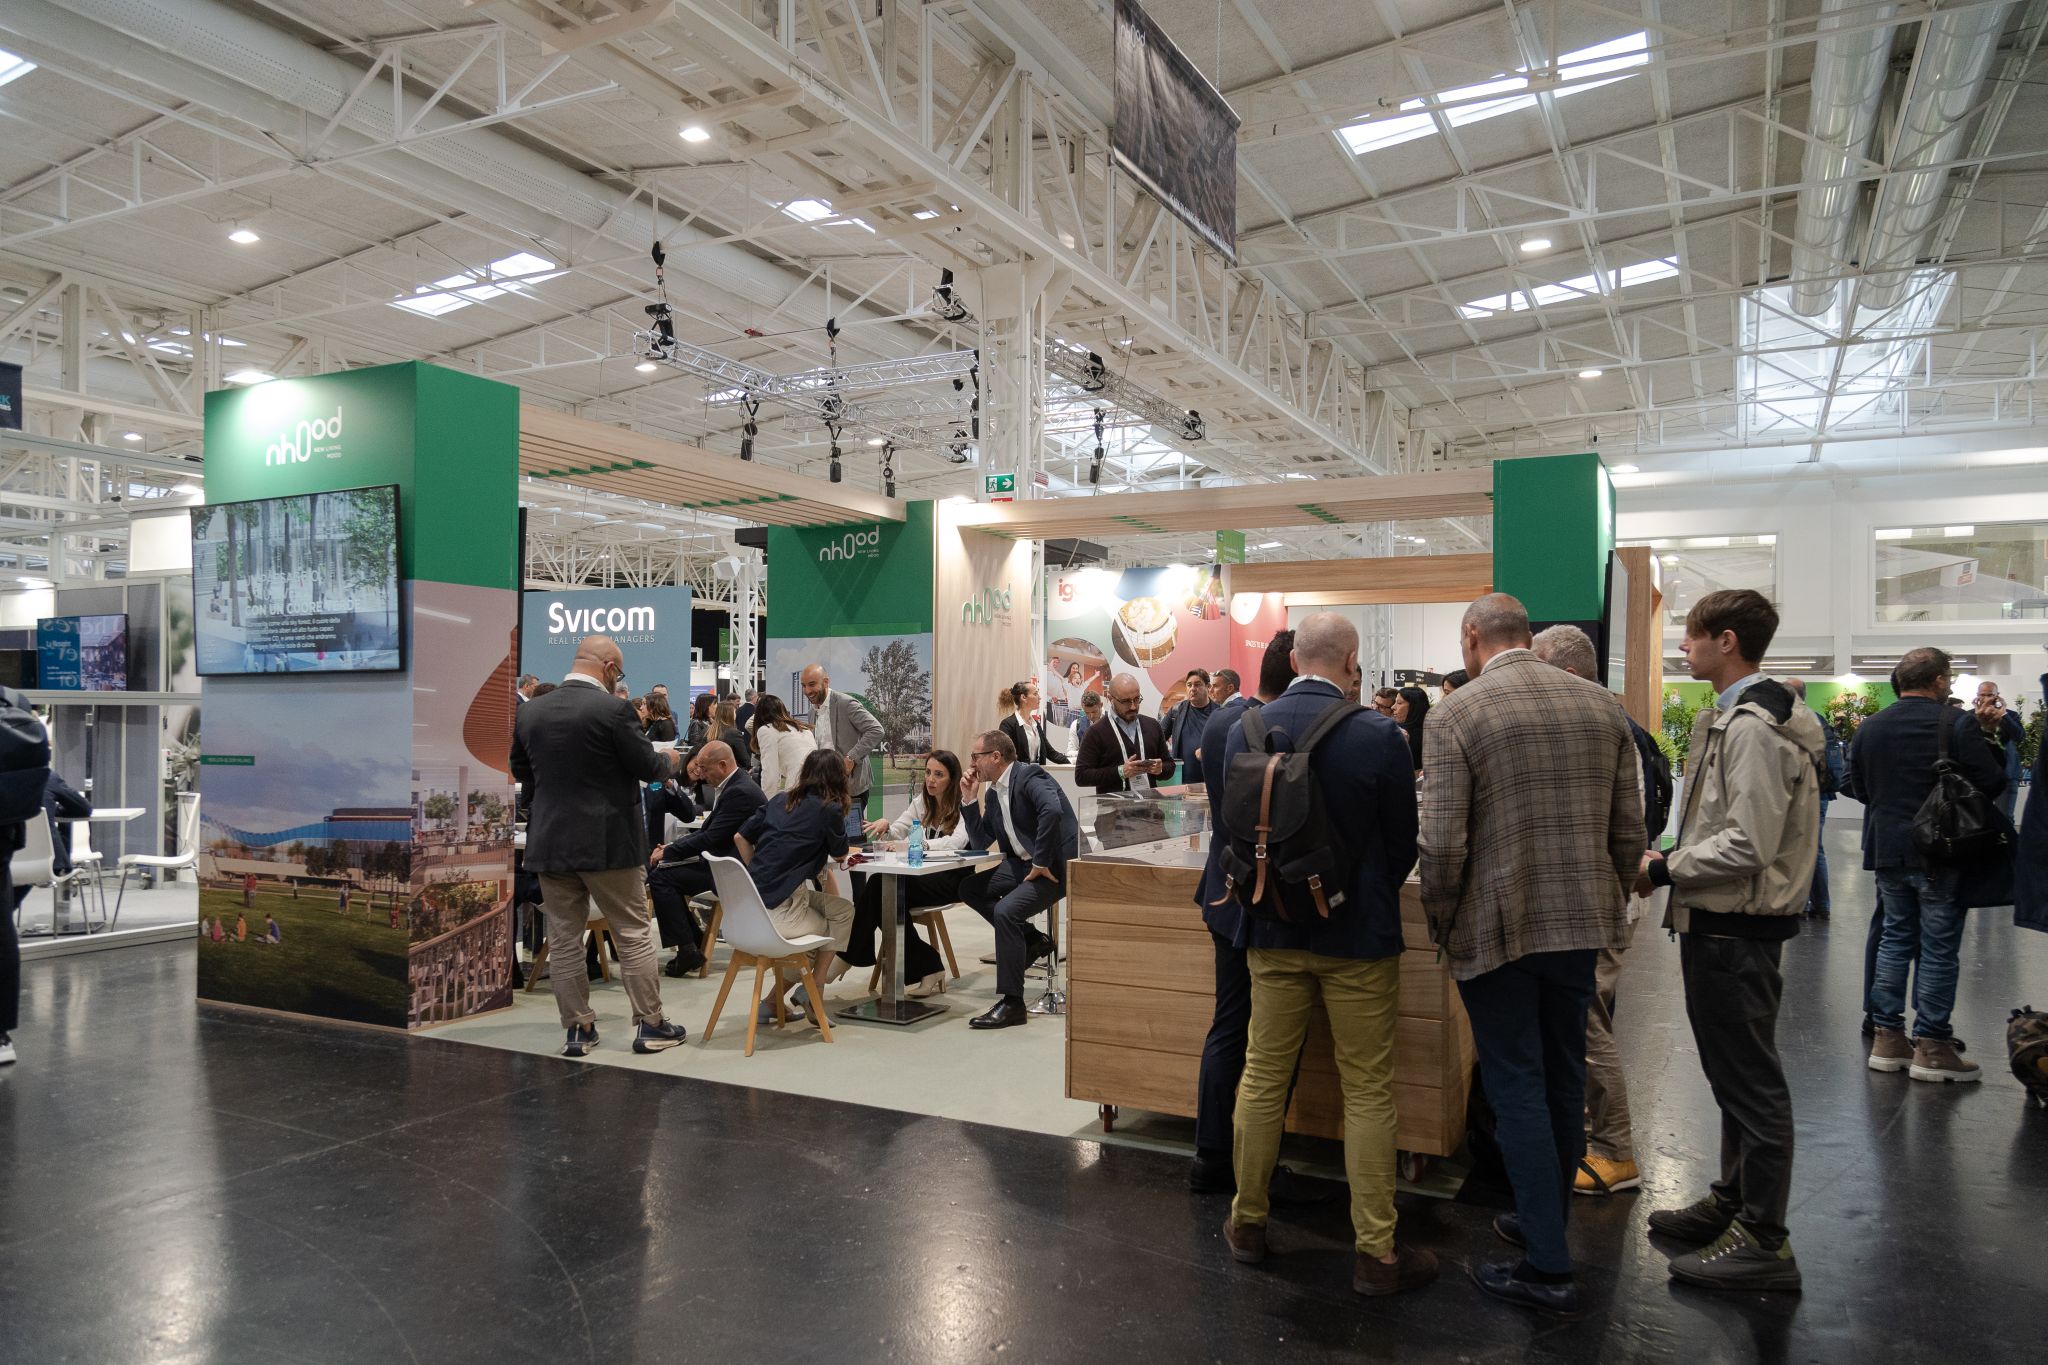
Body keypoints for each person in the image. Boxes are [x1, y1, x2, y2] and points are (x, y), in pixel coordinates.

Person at [1419, 593, 1643, 1317]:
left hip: (1498, 926)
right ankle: (1546, 1216)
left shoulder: (1456, 713)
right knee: (1563, 1074)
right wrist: (1610, 901)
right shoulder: (1602, 705)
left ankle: (1547, 1264)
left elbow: (1442, 845)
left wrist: (1441, 921)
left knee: (1514, 1083)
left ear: (1472, 637)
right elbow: (1628, 830)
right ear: (1528, 634)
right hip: (1580, 926)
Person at [1217, 614, 1436, 1297]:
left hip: (1272, 929)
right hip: (1358, 937)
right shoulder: (1379, 735)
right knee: (1366, 1088)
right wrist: (1359, 892)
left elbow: (1233, 826)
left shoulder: (1244, 729)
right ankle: (1376, 1251)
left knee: (1262, 1075)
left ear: (1293, 658)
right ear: (1350, 660)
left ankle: (1247, 1223)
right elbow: (1401, 843)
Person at [1634, 588, 1820, 1291]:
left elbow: (1748, 842)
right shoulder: (1742, 716)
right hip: (1725, 920)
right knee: (1735, 1075)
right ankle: (1735, 1202)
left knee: (1750, 1080)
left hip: (1735, 925)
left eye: (1692, 635)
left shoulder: (1753, 726)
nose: (1683, 647)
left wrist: (1664, 867)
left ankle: (1765, 1240)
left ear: (1728, 640)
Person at [510, 633, 689, 1058]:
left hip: (551, 842)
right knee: (633, 933)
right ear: (609, 668)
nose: (618, 679)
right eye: (619, 673)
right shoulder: (614, 710)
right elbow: (648, 767)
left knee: (564, 938)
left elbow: (521, 770)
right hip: (610, 843)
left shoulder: (531, 711)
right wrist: (671, 760)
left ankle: (578, 1029)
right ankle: (650, 1025)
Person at [1530, 624, 1653, 1199]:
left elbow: (1624, 830)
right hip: (1600, 899)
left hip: (1595, 902)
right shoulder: (1614, 723)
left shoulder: (1603, 726)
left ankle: (1613, 1149)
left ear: (1569, 673)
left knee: (1587, 1026)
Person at [1845, 646, 2008, 1084]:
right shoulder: (1955, 723)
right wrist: (1988, 736)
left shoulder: (1869, 727)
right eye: (1948, 677)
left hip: (1887, 850)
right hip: (1941, 850)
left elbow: (1859, 788)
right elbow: (1992, 783)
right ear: (1937, 680)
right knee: (1938, 947)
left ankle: (1887, 1039)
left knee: (1894, 940)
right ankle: (1933, 1045)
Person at [1190, 632, 1304, 1198]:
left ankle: (1211, 1155)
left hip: (1224, 889)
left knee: (1228, 1024)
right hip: (1268, 899)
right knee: (1271, 1038)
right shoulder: (1276, 728)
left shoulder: (1221, 724)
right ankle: (1257, 1163)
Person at [958, 730, 1080, 1030]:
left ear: (995, 756)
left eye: (975, 757)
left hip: (1053, 867)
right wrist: (969, 800)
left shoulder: (1029, 775)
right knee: (970, 888)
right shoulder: (992, 794)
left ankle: (1013, 1003)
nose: (972, 764)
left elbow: (1052, 810)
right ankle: (1032, 939)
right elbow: (980, 842)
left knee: (1006, 911)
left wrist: (1041, 860)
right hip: (1022, 865)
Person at [734, 747, 859, 1021]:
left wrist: (759, 872)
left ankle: (772, 1002)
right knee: (829, 933)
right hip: (781, 912)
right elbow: (840, 853)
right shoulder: (830, 809)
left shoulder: (780, 799)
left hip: (748, 910)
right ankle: (815, 991)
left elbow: (740, 838)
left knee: (843, 911)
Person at [845, 750, 974, 997]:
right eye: (928, 773)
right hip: (922, 876)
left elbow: (956, 842)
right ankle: (929, 966)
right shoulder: (922, 801)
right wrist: (886, 827)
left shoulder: (963, 804)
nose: (931, 780)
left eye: (939, 775)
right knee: (883, 890)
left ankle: (850, 955)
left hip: (952, 878)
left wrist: (919, 844)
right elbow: (899, 830)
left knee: (881, 889)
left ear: (952, 779)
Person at [648, 741, 765, 976]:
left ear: (722, 765)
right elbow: (708, 834)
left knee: (660, 878)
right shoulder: (737, 785)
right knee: (662, 873)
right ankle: (691, 943)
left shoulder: (739, 791)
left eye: (704, 768)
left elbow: (710, 838)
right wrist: (671, 848)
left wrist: (669, 852)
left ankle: (688, 948)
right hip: (724, 865)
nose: (700, 774)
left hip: (733, 873)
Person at [801, 664, 884, 839]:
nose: (807, 691)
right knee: (829, 837)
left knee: (850, 837)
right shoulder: (811, 712)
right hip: (824, 787)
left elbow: (876, 730)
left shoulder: (846, 704)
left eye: (812, 684)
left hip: (851, 786)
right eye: (804, 685)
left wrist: (851, 757)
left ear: (826, 682)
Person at [1786, 678, 1846, 917]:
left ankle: (1802, 904)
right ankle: (1820, 904)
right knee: (1814, 847)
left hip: (1803, 793)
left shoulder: (1794, 720)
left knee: (1797, 849)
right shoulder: (1817, 718)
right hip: (1820, 791)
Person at [1074, 673, 1175, 796]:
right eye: (1126, 701)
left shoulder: (1153, 726)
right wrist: (1120, 772)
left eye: (1137, 699)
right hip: (1113, 807)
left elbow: (1170, 766)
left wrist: (1161, 769)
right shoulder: (1095, 732)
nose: (1133, 706)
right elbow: (1081, 776)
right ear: (1110, 698)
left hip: (1149, 806)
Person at [1973, 680, 2026, 821]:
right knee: (1979, 819)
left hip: (2007, 773)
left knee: (2005, 817)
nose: (1986, 698)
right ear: (1977, 695)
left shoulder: (2010, 715)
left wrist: (2003, 715)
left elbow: (2019, 736)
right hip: (1979, 775)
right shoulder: (1970, 716)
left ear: (1997, 696)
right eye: (1982, 695)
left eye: (1990, 695)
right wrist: (1978, 717)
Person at [750, 694, 817, 796]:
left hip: (797, 787)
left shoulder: (766, 730)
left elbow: (770, 773)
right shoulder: (803, 728)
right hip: (818, 784)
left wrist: (768, 802)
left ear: (758, 714)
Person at [999, 681, 1068, 766]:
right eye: (1035, 694)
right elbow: (1007, 757)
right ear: (1023, 697)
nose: (1040, 698)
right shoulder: (1008, 725)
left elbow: (1051, 753)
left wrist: (1073, 762)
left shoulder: (1035, 724)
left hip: (1037, 773)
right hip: (1020, 774)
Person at [1163, 669, 1218, 769]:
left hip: (1211, 774)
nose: (1192, 689)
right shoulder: (1176, 710)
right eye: (1189, 685)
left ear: (1208, 687)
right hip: (1181, 775)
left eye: (1197, 684)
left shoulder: (1219, 713)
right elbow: (1159, 738)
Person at [1391, 686, 1430, 773]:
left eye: (1399, 703)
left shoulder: (1403, 734)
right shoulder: (1430, 731)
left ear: (1413, 706)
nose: (1393, 707)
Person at [712, 699, 751, 774]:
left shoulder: (708, 731)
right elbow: (745, 761)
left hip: (712, 773)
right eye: (734, 712)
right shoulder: (733, 733)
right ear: (730, 714)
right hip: (730, 773)